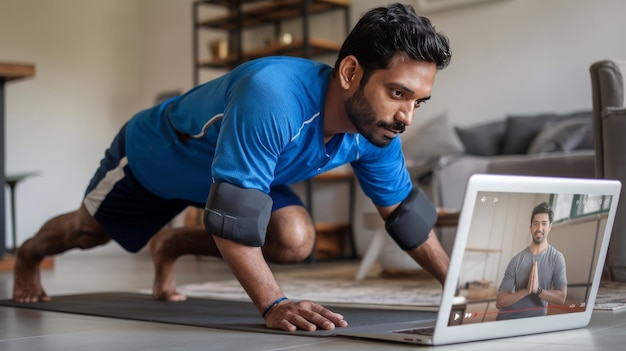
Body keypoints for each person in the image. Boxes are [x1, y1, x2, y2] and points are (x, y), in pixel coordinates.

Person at [13, 3, 452, 332]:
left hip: (247, 173)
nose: (407, 116)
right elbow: (234, 217)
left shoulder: (375, 130)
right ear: (351, 72)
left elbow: (405, 217)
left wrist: (462, 292)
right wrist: (273, 303)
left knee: (294, 239)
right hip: (159, 156)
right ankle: (28, 255)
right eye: (398, 93)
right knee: (87, 232)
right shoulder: (274, 95)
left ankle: (173, 243)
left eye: (418, 101)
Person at [495, 202, 567, 320]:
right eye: (536, 223)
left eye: (544, 223)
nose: (539, 228)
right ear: (530, 227)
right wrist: (526, 291)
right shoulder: (516, 260)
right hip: (507, 319)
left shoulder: (557, 258)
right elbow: (499, 302)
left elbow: (561, 298)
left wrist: (537, 290)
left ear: (550, 227)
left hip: (535, 323)